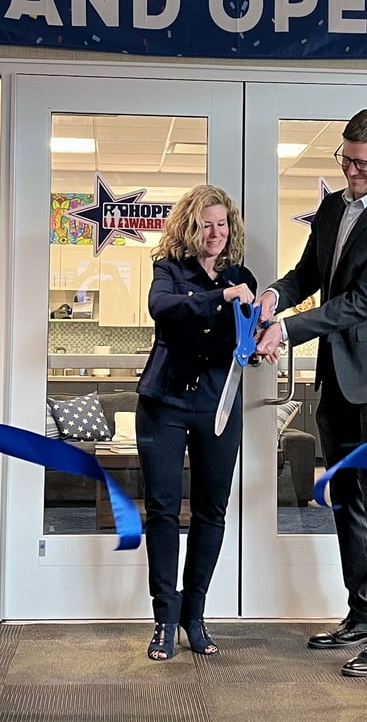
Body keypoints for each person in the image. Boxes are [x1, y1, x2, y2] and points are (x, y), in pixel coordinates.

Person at [255, 108, 367, 677]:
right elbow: (310, 273)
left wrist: (289, 330)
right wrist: (276, 296)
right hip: (337, 376)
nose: (351, 172)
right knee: (348, 499)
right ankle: (362, 613)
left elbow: (362, 301)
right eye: (345, 161)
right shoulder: (333, 206)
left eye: (362, 164)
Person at [135, 184, 258, 661]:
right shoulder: (168, 270)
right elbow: (164, 308)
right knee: (163, 511)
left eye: (222, 223)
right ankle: (164, 619)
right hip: (163, 402)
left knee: (212, 511)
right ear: (190, 226)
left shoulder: (243, 274)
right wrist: (221, 296)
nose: (216, 232)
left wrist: (262, 337)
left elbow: (249, 332)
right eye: (206, 224)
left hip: (218, 406)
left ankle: (194, 615)